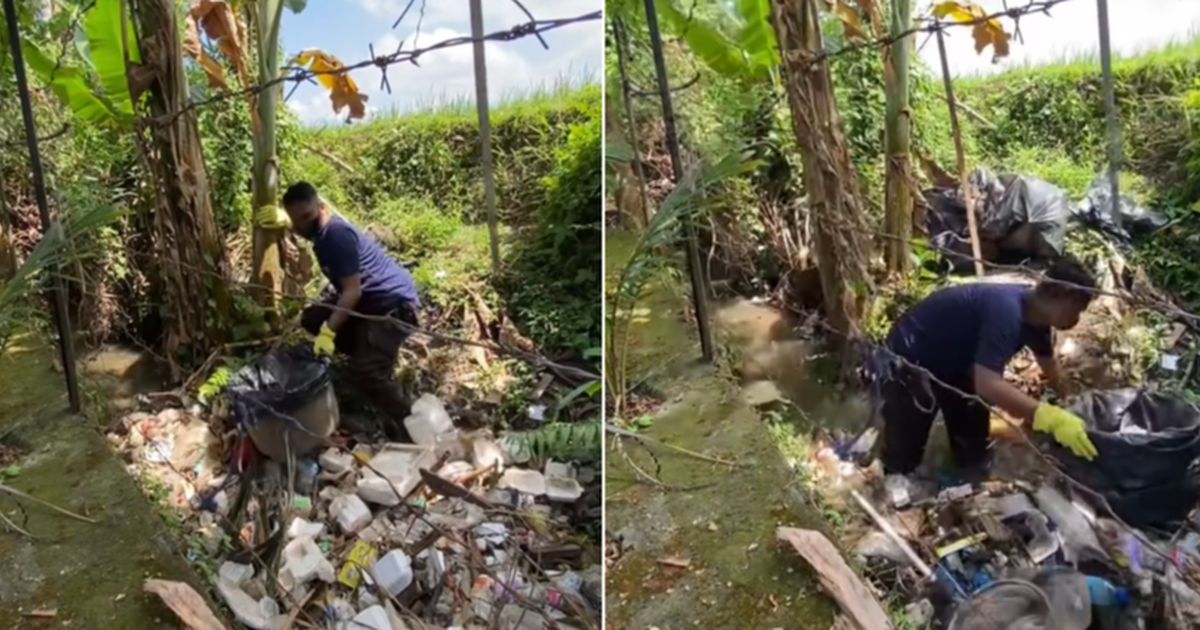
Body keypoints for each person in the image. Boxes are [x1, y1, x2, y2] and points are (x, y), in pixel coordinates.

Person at [878, 257, 1100, 482]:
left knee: (973, 448)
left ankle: (966, 486)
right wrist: (1048, 417)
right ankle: (894, 487)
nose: (1077, 319)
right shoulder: (1006, 312)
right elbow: (988, 384)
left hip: (958, 362)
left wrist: (1071, 405)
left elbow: (1050, 366)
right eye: (1077, 310)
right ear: (1062, 298)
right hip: (909, 357)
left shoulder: (1037, 319)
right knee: (904, 454)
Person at [257, 182, 421, 440]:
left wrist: (329, 332)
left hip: (393, 305)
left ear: (321, 208)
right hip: (369, 303)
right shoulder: (321, 236)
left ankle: (412, 423)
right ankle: (370, 352)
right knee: (313, 317)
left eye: (307, 217)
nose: (302, 227)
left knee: (367, 373)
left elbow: (352, 292)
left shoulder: (335, 235)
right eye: (295, 221)